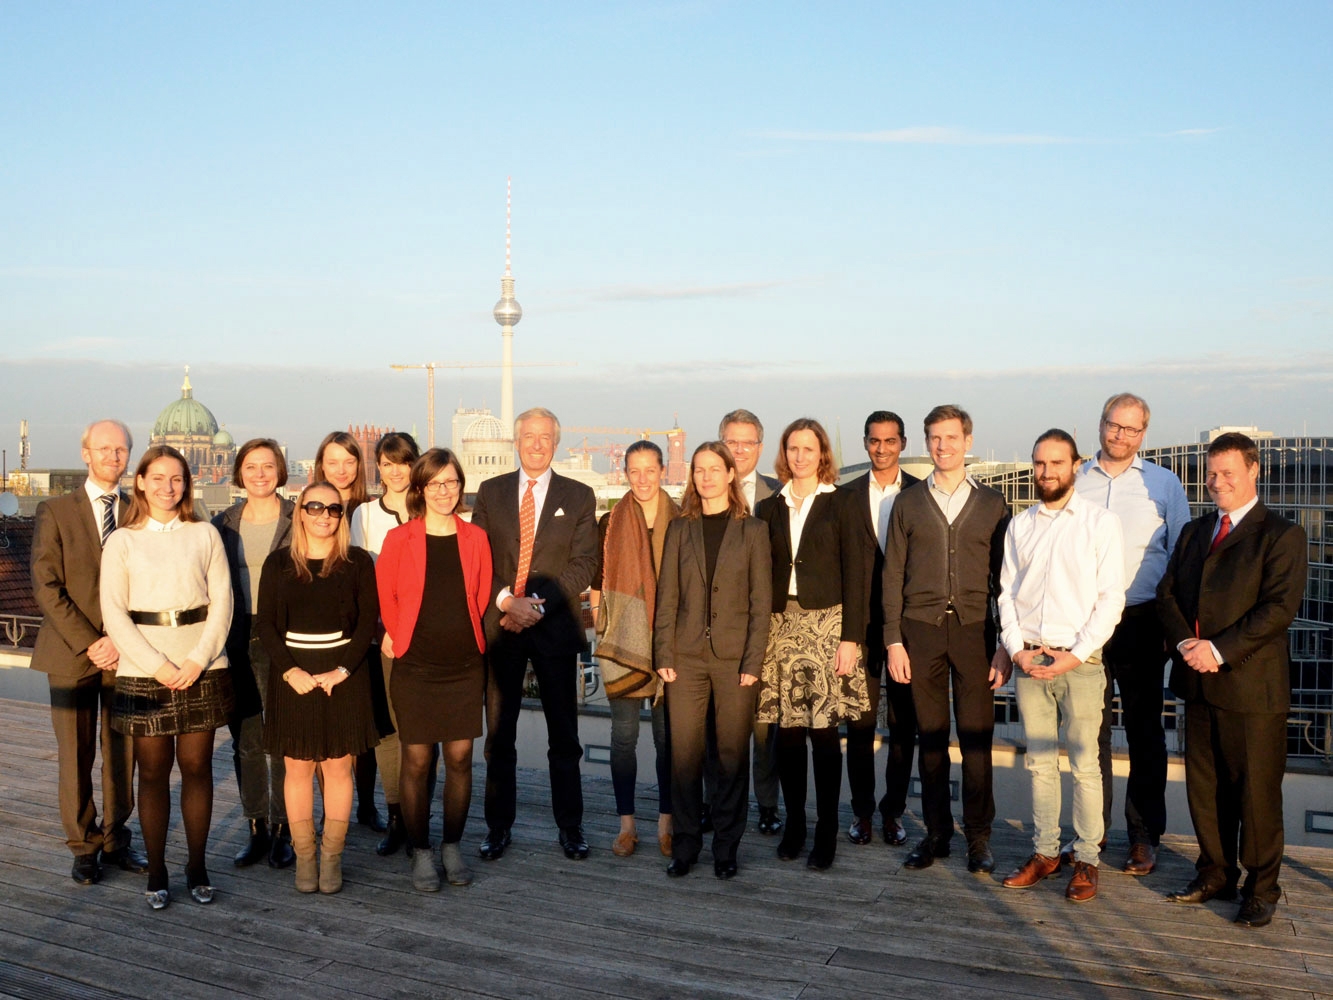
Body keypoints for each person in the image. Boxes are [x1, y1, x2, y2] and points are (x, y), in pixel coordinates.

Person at [1158, 431, 1307, 928]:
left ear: (1253, 471)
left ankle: (1262, 888)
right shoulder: (1195, 532)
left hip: (1251, 689)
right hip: (1198, 684)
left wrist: (1217, 650)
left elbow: (1277, 610)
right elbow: (1168, 594)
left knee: (1256, 795)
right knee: (1206, 787)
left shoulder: (1282, 535)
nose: (1217, 482)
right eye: (1212, 472)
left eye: (1228, 473)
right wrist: (1185, 645)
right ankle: (1215, 873)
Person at [100, 445, 235, 910]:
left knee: (198, 770)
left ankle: (196, 865)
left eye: (176, 478)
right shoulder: (121, 541)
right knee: (154, 774)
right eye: (157, 478)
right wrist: (158, 666)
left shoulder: (205, 534)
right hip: (143, 669)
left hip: (203, 666)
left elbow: (223, 603)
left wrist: (198, 659)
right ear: (140, 482)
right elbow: (114, 614)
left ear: (187, 483)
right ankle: (157, 870)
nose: (167, 487)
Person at [998, 430, 1125, 903]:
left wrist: (1074, 654)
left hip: (1081, 661)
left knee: (1085, 765)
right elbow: (1007, 595)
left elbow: (1112, 600)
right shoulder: (1020, 525)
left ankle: (1086, 858)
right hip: (1030, 658)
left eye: (1056, 463)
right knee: (1039, 765)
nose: (1045, 472)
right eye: (1038, 463)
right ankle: (1046, 853)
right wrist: (1016, 651)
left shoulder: (1100, 524)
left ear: (1076, 465)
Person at [883, 404, 1010, 874]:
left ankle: (979, 838)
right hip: (921, 632)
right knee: (930, 739)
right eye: (935, 438)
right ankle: (937, 833)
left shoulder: (994, 503)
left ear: (968, 441)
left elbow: (1007, 580)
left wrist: (1004, 643)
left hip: (976, 633)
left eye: (952, 437)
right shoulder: (909, 503)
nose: (943, 446)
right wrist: (893, 640)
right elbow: (893, 574)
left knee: (977, 739)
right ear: (926, 442)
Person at [472, 407, 598, 861]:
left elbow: (586, 562)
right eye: (529, 436)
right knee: (498, 737)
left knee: (564, 737)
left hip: (554, 632)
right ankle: (497, 827)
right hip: (502, 629)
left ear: (556, 442)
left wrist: (535, 606)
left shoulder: (580, 495)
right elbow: (477, 559)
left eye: (546, 437)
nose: (537, 444)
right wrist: (507, 602)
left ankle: (571, 826)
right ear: (516, 441)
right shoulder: (490, 492)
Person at [1073, 392, 1190, 875]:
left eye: (1131, 429)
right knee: (1089, 736)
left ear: (1144, 433)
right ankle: (1090, 837)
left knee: (1145, 734)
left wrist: (1173, 626)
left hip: (1143, 622)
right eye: (1113, 426)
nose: (1120, 436)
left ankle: (1144, 838)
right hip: (1086, 624)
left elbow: (1183, 557)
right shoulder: (1074, 479)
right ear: (1099, 424)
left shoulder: (1164, 483)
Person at [30, 419, 148, 886]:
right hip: (71, 652)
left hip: (127, 653)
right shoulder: (56, 509)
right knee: (75, 754)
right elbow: (45, 585)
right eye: (105, 449)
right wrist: (92, 640)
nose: (114, 457)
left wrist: (122, 638)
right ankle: (83, 845)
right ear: (86, 453)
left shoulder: (138, 510)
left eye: (122, 450)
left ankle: (117, 838)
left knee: (122, 750)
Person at [257, 481, 383, 895]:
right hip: (293, 676)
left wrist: (343, 671)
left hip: (344, 675)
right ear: (301, 512)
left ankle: (331, 858)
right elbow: (267, 626)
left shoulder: (358, 561)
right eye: (315, 507)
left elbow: (367, 624)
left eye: (333, 509)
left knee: (338, 768)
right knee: (296, 769)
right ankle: (304, 857)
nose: (324, 515)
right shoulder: (277, 564)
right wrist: (291, 671)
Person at [377, 449, 492, 892]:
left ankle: (452, 845)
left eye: (452, 483)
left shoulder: (475, 538)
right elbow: (386, 595)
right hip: (416, 666)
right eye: (436, 484)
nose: (445, 492)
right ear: (421, 489)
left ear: (461, 487)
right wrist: (396, 632)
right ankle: (421, 850)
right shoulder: (400, 539)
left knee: (461, 758)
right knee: (418, 758)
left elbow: (479, 598)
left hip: (464, 665)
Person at [655, 442, 771, 878]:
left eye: (713, 469)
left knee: (730, 757)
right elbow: (666, 597)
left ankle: (726, 849)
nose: (705, 477)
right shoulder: (679, 529)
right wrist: (663, 652)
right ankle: (685, 847)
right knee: (683, 756)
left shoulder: (753, 531)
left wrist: (752, 662)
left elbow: (761, 604)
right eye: (698, 470)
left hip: (735, 660)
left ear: (729, 475)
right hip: (684, 658)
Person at [755, 418, 867, 871]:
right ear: (784, 453)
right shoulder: (769, 507)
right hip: (780, 627)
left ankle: (825, 830)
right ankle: (795, 824)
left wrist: (852, 638)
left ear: (822, 454)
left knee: (823, 735)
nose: (800, 455)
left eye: (809, 448)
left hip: (827, 626)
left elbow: (858, 574)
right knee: (787, 735)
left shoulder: (843, 503)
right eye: (793, 448)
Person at [590, 441, 679, 859]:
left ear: (662, 470)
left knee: (668, 740)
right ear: (624, 472)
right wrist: (605, 630)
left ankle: (667, 821)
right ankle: (627, 826)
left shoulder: (682, 520)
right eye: (634, 471)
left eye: (650, 470)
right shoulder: (610, 522)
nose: (642, 479)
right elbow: (595, 585)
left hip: (670, 643)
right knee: (623, 739)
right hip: (622, 643)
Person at [213, 438, 297, 870]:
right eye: (251, 466)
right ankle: (256, 827)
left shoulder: (298, 518)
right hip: (237, 636)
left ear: (280, 470)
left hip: (283, 638)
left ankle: (285, 830)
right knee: (246, 740)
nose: (260, 474)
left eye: (268, 466)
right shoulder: (222, 522)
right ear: (239, 473)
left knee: (282, 739)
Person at [840, 410, 920, 847]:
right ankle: (863, 813)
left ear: (902, 443)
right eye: (875, 441)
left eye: (891, 441)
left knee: (903, 726)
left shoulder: (921, 493)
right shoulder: (845, 495)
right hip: (861, 625)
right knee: (860, 724)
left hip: (908, 628)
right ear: (865, 443)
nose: (882, 448)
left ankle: (893, 813)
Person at [350, 430, 423, 857]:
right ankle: (397, 815)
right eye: (387, 463)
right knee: (389, 730)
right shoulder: (363, 515)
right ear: (378, 467)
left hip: (425, 638)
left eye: (403, 462)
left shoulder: (429, 508)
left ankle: (418, 817)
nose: (396, 471)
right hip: (384, 639)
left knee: (421, 731)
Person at [314, 430, 384, 833]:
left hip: (365, 633)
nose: (341, 470)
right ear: (320, 465)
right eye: (333, 462)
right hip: (322, 637)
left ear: (360, 466)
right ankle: (327, 810)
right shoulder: (309, 509)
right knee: (324, 732)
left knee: (364, 724)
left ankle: (367, 805)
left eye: (349, 462)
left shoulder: (368, 510)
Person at [718, 409, 783, 835]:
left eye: (747, 443)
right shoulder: (701, 491)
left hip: (768, 626)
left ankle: (766, 805)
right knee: (718, 726)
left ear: (760, 447)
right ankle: (718, 802)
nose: (739, 450)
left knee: (764, 728)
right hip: (717, 630)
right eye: (731, 442)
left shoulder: (779, 495)